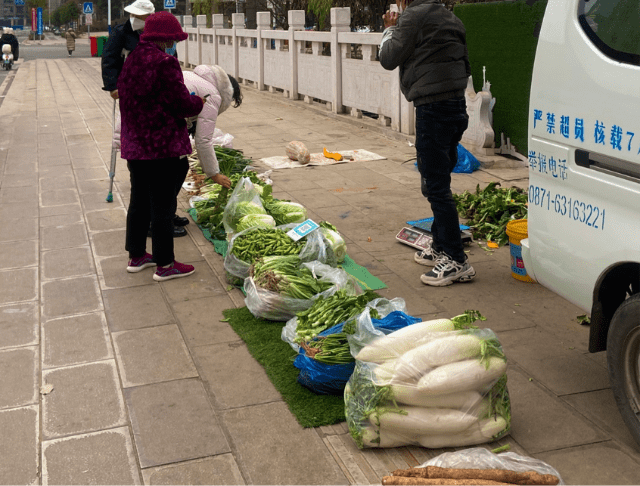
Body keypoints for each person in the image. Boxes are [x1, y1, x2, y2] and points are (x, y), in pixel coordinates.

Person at [379, 0, 476, 287]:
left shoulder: (412, 17)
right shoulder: (451, 18)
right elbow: (464, 64)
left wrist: (389, 29)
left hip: (433, 109)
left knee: (435, 186)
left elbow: (388, 58)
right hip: (456, 106)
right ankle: (441, 244)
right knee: (438, 180)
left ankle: (457, 261)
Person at [118, 11, 205, 281]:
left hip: (136, 145)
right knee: (163, 206)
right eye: (173, 39)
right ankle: (165, 264)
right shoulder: (165, 63)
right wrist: (199, 101)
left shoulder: (132, 59)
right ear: (166, 38)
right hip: (162, 147)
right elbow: (181, 104)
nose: (173, 44)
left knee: (139, 201)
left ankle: (136, 255)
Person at [181, 65, 244, 193]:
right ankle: (165, 213)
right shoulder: (213, 95)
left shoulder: (193, 77)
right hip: (162, 131)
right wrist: (214, 174)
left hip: (141, 125)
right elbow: (203, 140)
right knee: (177, 169)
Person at [101, 0, 155, 101]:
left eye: (138, 15)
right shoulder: (120, 32)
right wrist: (112, 86)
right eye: (132, 15)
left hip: (154, 86)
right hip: (129, 86)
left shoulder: (157, 33)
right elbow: (109, 58)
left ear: (149, 16)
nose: (134, 18)